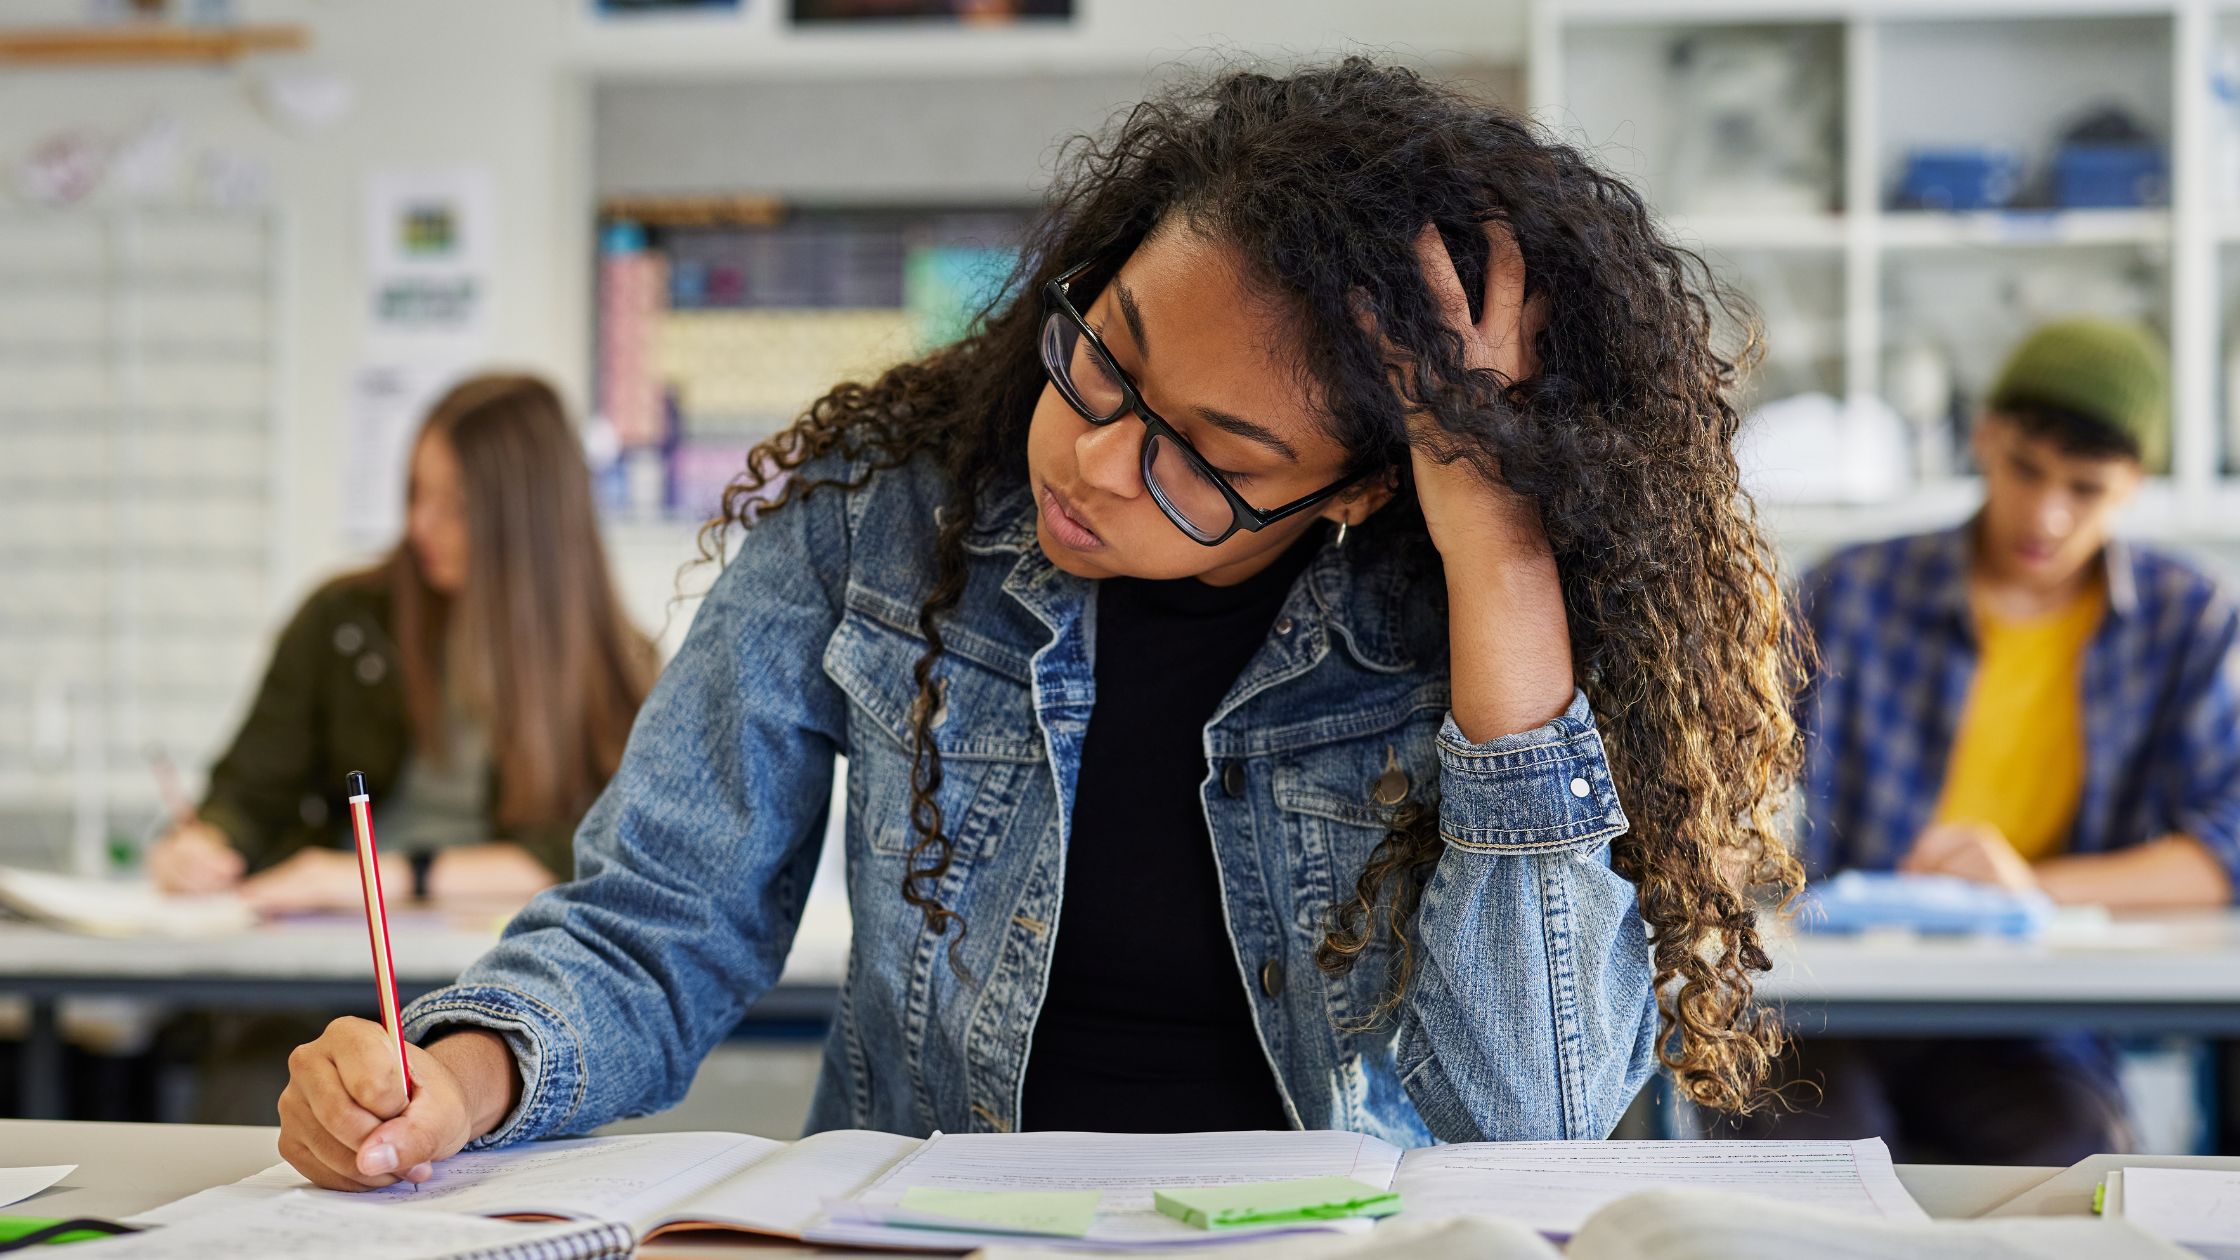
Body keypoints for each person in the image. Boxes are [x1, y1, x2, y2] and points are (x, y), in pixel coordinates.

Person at [274, 60, 1809, 1191]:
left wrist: (1498, 551)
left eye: (1209, 458)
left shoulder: (1455, 610)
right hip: (930, 1232)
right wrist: (457, 1079)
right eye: (1109, 353)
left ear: (1358, 491)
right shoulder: (879, 516)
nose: (1088, 457)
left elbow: (1526, 1121)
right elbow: (656, 920)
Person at [1761, 317, 2240, 1164]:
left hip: (2038, 1025)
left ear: (2134, 486)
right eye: (2026, 469)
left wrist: (2025, 891)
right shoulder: (1850, 591)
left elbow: (2227, 847)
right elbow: (1733, 775)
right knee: (1807, 1162)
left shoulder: (2187, 622)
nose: (2047, 516)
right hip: (1832, 1005)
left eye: (2086, 489)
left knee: (2068, 1165)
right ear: (1984, 436)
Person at [148, 372, 657, 909]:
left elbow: (609, 846)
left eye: (454, 505)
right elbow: (249, 792)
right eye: (417, 493)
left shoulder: (614, 662)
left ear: (526, 521)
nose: (419, 525)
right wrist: (207, 842)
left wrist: (390, 876)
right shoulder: (342, 622)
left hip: (504, 958)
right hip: (336, 951)